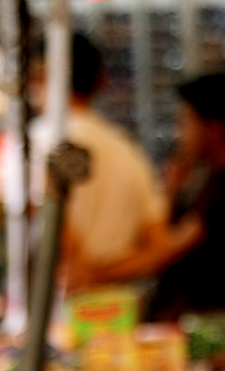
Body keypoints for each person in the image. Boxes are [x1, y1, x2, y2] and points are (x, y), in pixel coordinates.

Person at [77, 72, 225, 323]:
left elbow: (168, 250)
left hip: (203, 326)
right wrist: (171, 190)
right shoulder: (206, 182)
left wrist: (97, 274)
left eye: (185, 122)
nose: (179, 134)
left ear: (215, 129)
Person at [28, 32, 168, 316]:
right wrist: (101, 275)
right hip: (122, 313)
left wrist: (82, 270)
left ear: (42, 76)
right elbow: (158, 249)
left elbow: (47, 221)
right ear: (98, 82)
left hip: (59, 314)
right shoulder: (128, 151)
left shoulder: (34, 143)